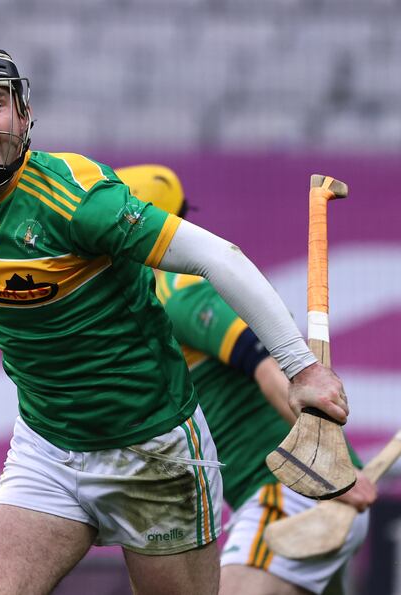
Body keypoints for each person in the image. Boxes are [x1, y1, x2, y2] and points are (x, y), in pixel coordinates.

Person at [0, 48, 350, 595]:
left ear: (23, 117)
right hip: (46, 449)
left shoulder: (79, 200)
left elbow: (220, 258)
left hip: (153, 454)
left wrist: (302, 369)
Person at [117, 164, 377, 595]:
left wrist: (332, 467)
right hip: (291, 494)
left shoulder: (182, 288)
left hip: (292, 492)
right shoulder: (146, 300)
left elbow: (275, 369)